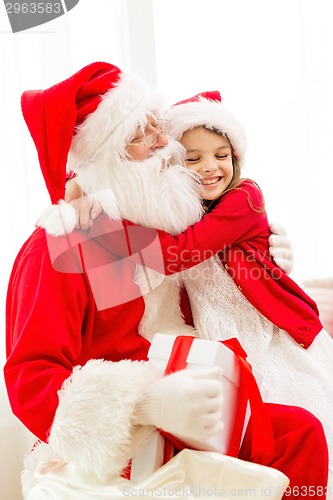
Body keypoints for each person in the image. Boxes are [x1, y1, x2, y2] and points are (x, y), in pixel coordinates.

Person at [4, 62, 328, 499]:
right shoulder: (61, 247)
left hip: (192, 402)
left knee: (300, 432)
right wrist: (146, 405)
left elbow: (210, 235)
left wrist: (266, 249)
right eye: (143, 134)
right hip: (124, 437)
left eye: (160, 126)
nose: (165, 144)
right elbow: (32, 376)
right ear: (106, 156)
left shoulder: (141, 227)